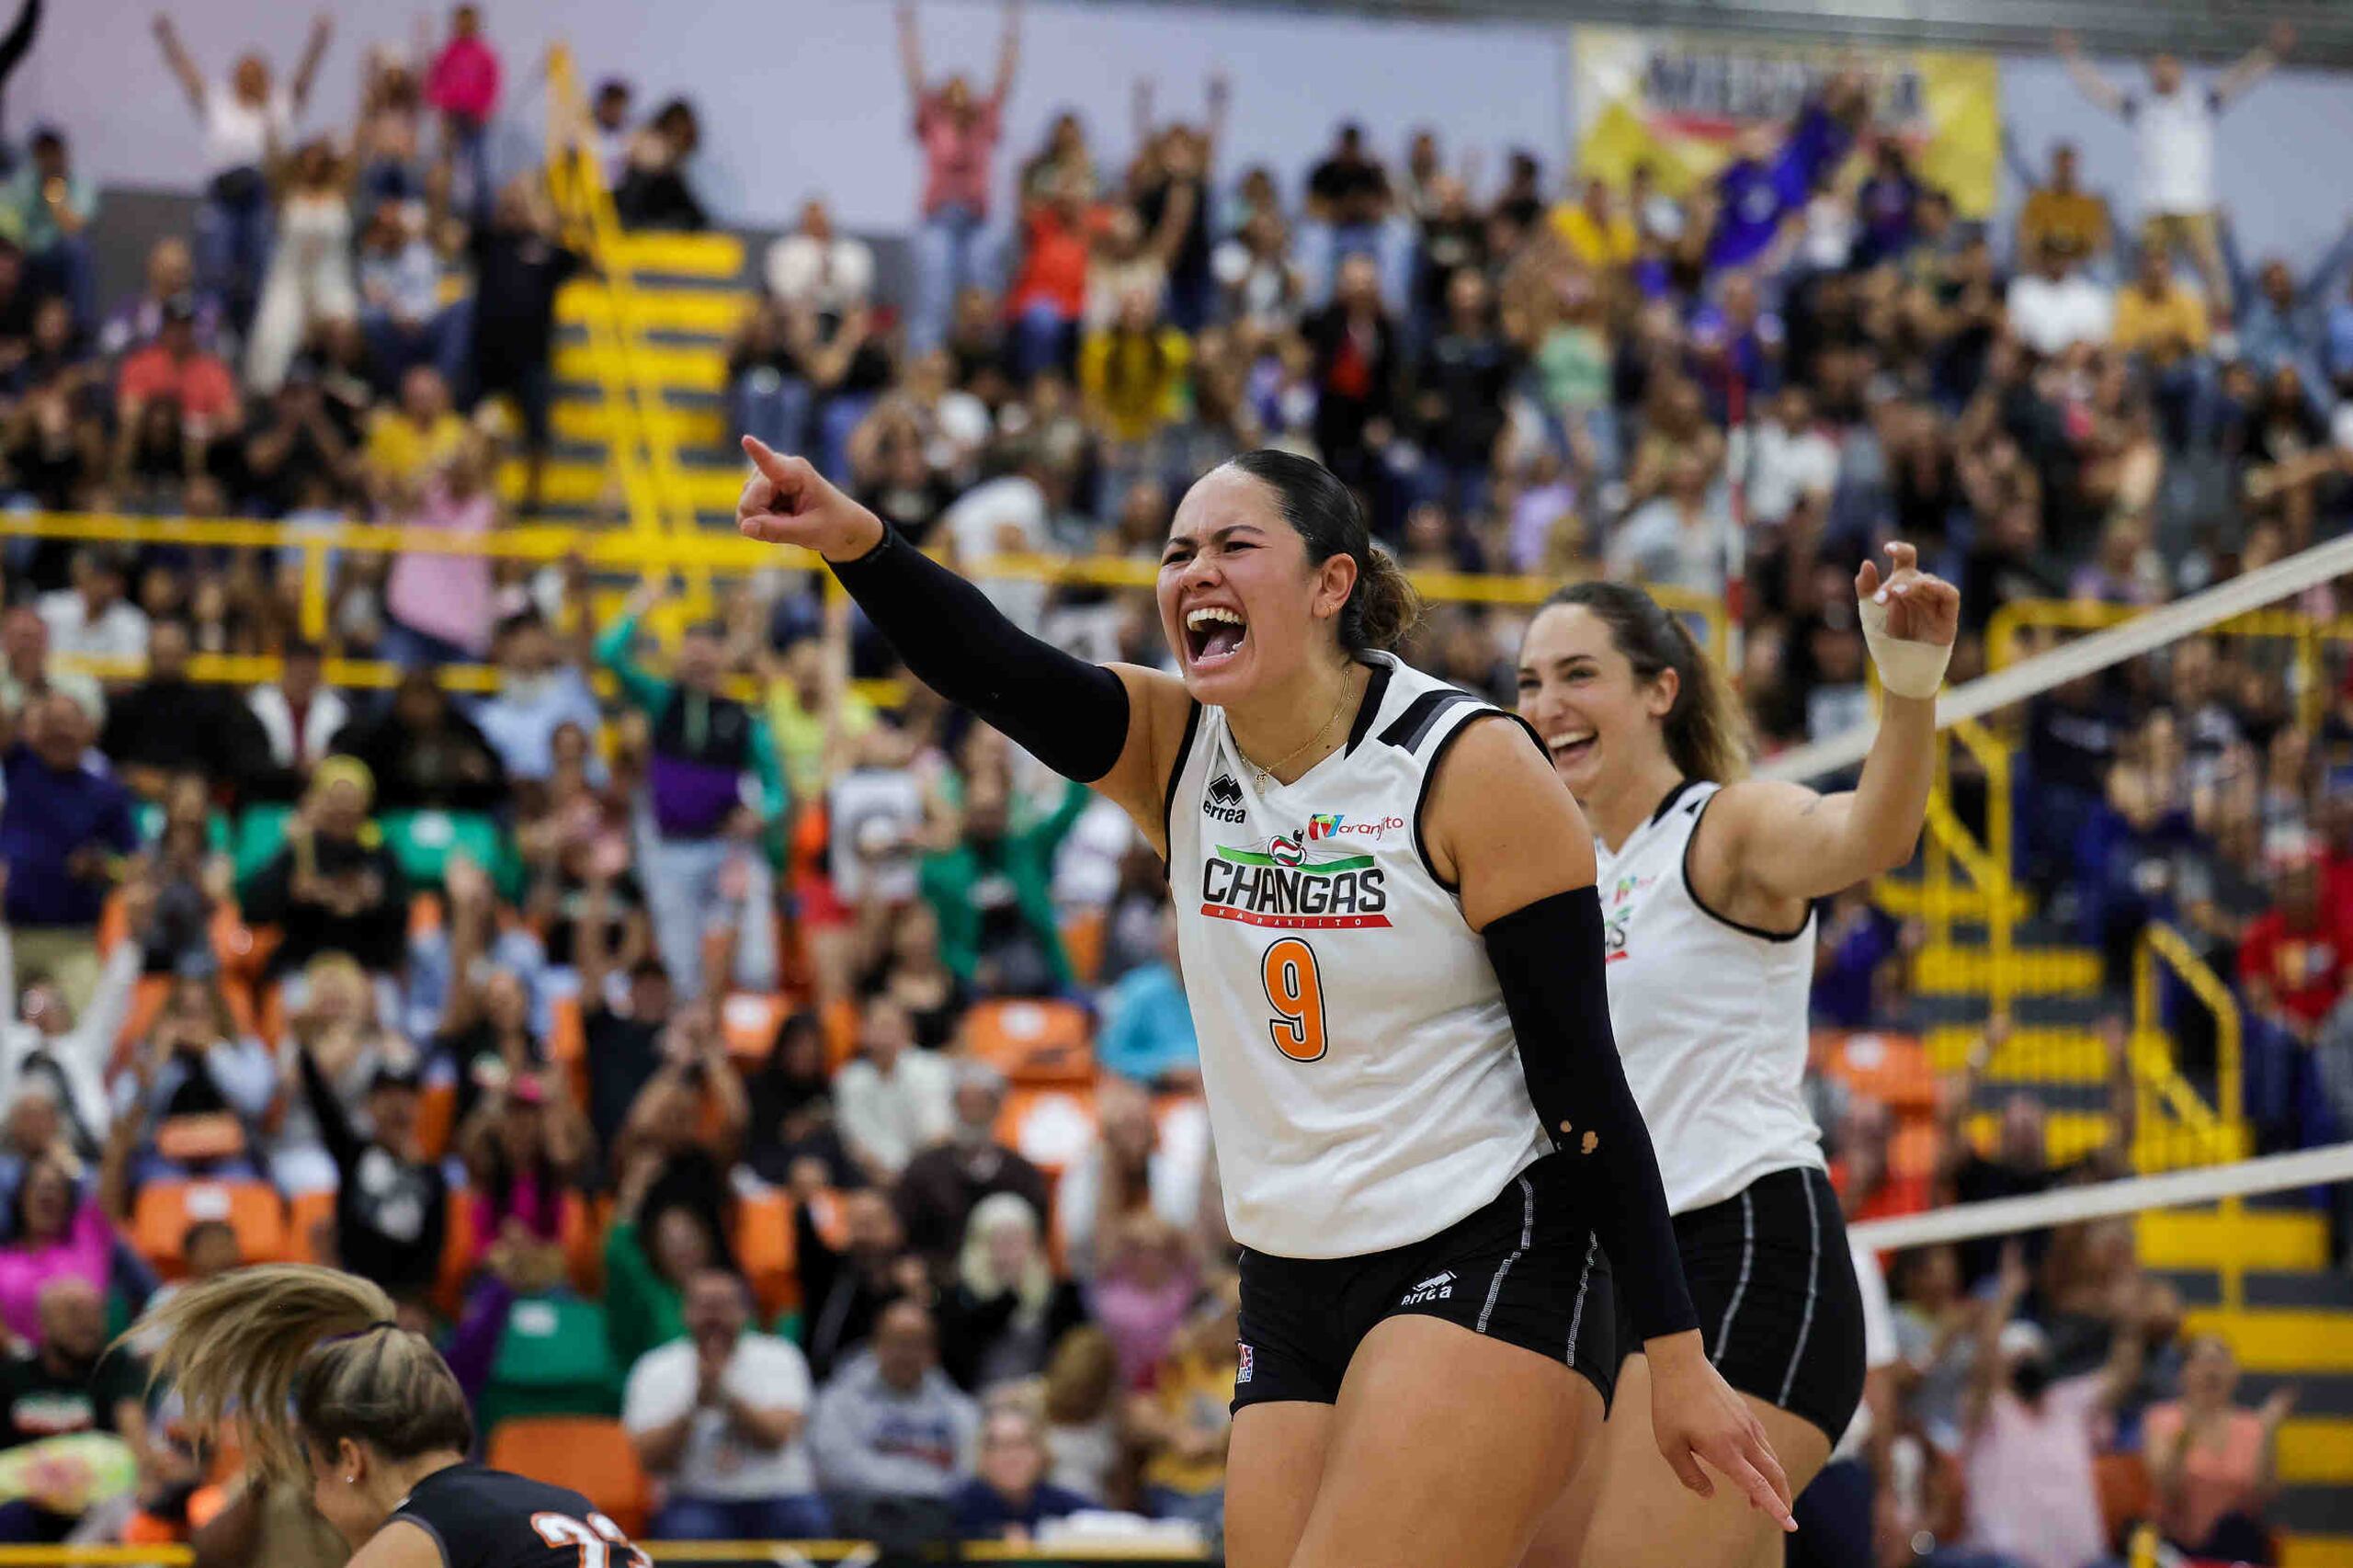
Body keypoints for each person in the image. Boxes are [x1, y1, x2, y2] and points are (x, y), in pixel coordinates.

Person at [733, 436, 1790, 1568]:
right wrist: (857, 541)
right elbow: (992, 665)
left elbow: (1582, 1083)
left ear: (1333, 583)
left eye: (1236, 545)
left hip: (1489, 1243)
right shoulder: (1176, 745)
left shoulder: (1470, 764)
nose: (1196, 570)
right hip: (1288, 1276)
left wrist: (1675, 1352)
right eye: (1177, 551)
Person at [1512, 552, 1957, 1568]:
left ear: (1660, 689)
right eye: (1529, 682)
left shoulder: (1723, 826)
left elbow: (1874, 833)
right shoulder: (1556, 872)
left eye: (1579, 674)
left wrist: (1908, 683)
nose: (1547, 704)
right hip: (1621, 1287)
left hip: (1747, 1254)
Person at [133, 1264, 652, 1566]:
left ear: (350, 1458)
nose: (316, 1497)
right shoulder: (561, 1501)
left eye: (314, 1474)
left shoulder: (420, 1536)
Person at [2056, 24, 2292, 312]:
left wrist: (2270, 52)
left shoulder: (2200, 101)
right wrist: (2072, 58)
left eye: (2168, 65)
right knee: (2143, 273)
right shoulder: (2141, 105)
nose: (2162, 72)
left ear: (2179, 68)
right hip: (2154, 206)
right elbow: (2098, 90)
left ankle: (2223, 333)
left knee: (2213, 273)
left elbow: (2241, 78)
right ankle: (2141, 324)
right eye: (2156, 67)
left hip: (2194, 204)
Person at [621, 1267, 826, 1541]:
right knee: (688, 1533)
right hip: (694, 1500)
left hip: (778, 1495)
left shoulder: (780, 1357)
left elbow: (776, 1437)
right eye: (705, 1306)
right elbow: (650, 1459)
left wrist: (726, 1396)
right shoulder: (656, 1367)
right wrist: (694, 1406)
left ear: (745, 1312)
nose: (714, 1317)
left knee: (807, 1523)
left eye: (724, 1306)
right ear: (685, 1311)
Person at [896, 0, 1020, 356]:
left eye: (967, 88)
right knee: (933, 294)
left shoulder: (985, 121)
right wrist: (907, 27)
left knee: (983, 292)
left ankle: (982, 363)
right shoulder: (934, 120)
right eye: (953, 88)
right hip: (938, 220)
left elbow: (1005, 77)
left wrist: (1011, 28)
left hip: (978, 223)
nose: (961, 94)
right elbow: (914, 76)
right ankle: (924, 363)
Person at [2143, 1335, 2295, 1561]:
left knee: (2237, 1528)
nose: (2212, 1370)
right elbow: (2166, 1488)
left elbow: (2265, 1494)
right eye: (2203, 1362)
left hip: (2235, 1547)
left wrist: (2268, 1433)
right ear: (2184, 1373)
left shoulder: (2253, 1426)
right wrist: (2187, 1432)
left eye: (2220, 1362)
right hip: (2177, 1545)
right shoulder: (2162, 1419)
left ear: (2235, 1374)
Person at [949, 1403, 1089, 1541]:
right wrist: (994, 1536)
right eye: (1000, 1446)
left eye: (1022, 1444)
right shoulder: (956, 1509)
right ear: (982, 1456)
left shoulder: (1064, 1505)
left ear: (1043, 1452)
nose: (1012, 1457)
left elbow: (1105, 1524)